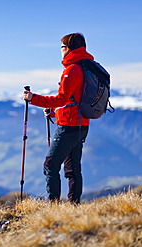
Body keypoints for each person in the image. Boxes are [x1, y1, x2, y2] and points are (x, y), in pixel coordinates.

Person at [23, 33, 94, 204]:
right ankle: (74, 205)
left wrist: (33, 98)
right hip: (81, 125)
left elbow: (62, 99)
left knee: (50, 166)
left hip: (68, 127)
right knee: (73, 168)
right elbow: (74, 101)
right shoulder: (86, 67)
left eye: (62, 47)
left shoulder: (72, 70)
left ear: (69, 49)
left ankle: (53, 206)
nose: (61, 50)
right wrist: (54, 112)